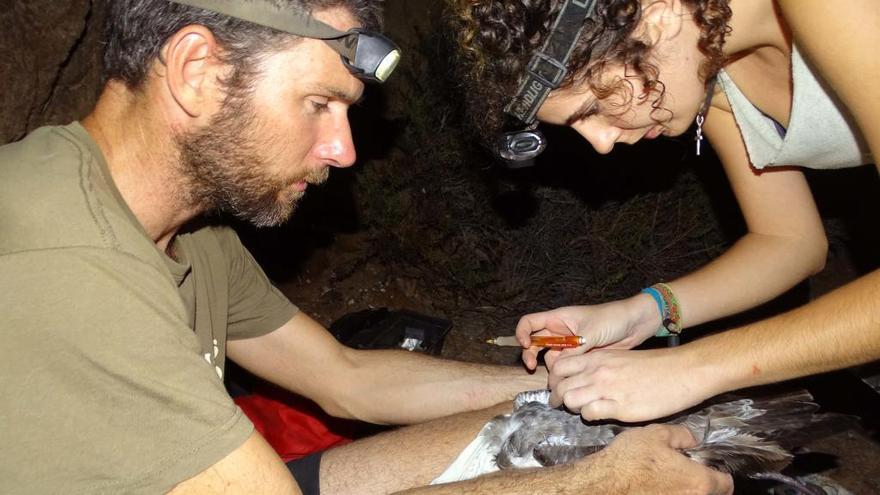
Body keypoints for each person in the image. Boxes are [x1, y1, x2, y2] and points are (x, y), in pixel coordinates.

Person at [0, 0, 734, 494]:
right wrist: (591, 485)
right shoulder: (62, 259)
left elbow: (346, 375)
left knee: (549, 433)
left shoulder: (182, 224)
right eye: (320, 104)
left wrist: (574, 386)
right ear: (198, 72)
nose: (344, 150)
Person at [452, 0, 878, 423]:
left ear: (656, 15)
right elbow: (790, 241)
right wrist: (641, 313)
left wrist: (695, 369)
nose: (600, 143)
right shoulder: (708, 70)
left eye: (592, 109)